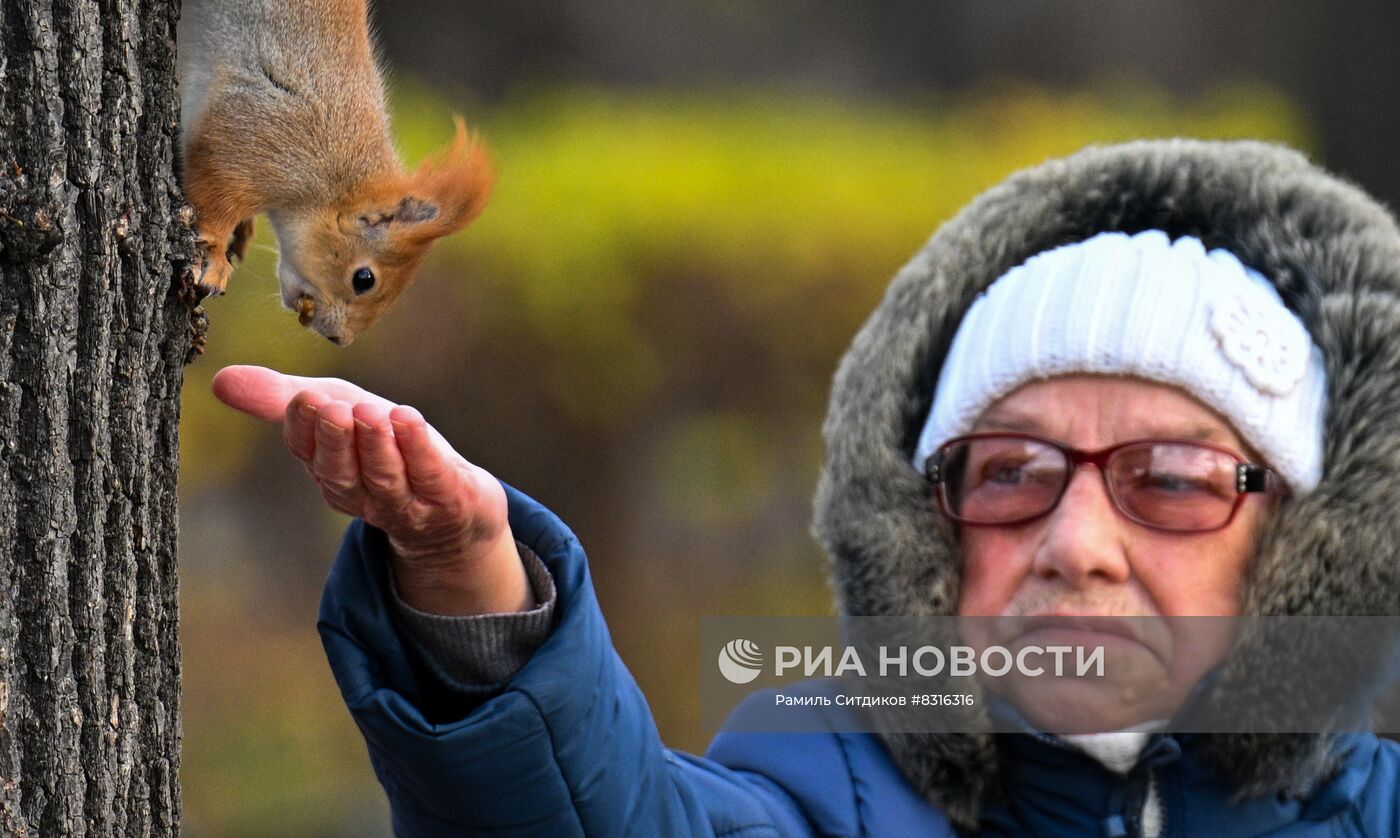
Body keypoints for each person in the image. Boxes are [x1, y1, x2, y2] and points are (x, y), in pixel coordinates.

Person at [214, 139, 1400, 836]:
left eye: (1171, 480)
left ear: (1295, 547)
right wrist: (464, 573)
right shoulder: (832, 780)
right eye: (1009, 474)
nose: (1073, 542)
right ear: (927, 540)